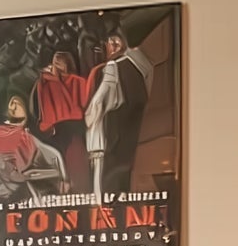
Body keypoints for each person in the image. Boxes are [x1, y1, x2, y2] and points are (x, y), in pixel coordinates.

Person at [85, 24, 153, 199]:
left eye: (112, 42)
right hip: (136, 119)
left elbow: (101, 98)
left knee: (113, 166)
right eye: (108, 43)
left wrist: (90, 116)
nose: (109, 46)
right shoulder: (141, 64)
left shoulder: (113, 66)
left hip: (116, 122)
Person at [33, 41, 97, 191]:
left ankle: (78, 189)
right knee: (65, 162)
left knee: (74, 161)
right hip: (62, 127)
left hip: (70, 126)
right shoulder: (45, 82)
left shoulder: (76, 82)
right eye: (55, 62)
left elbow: (85, 102)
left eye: (59, 61)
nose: (57, 65)